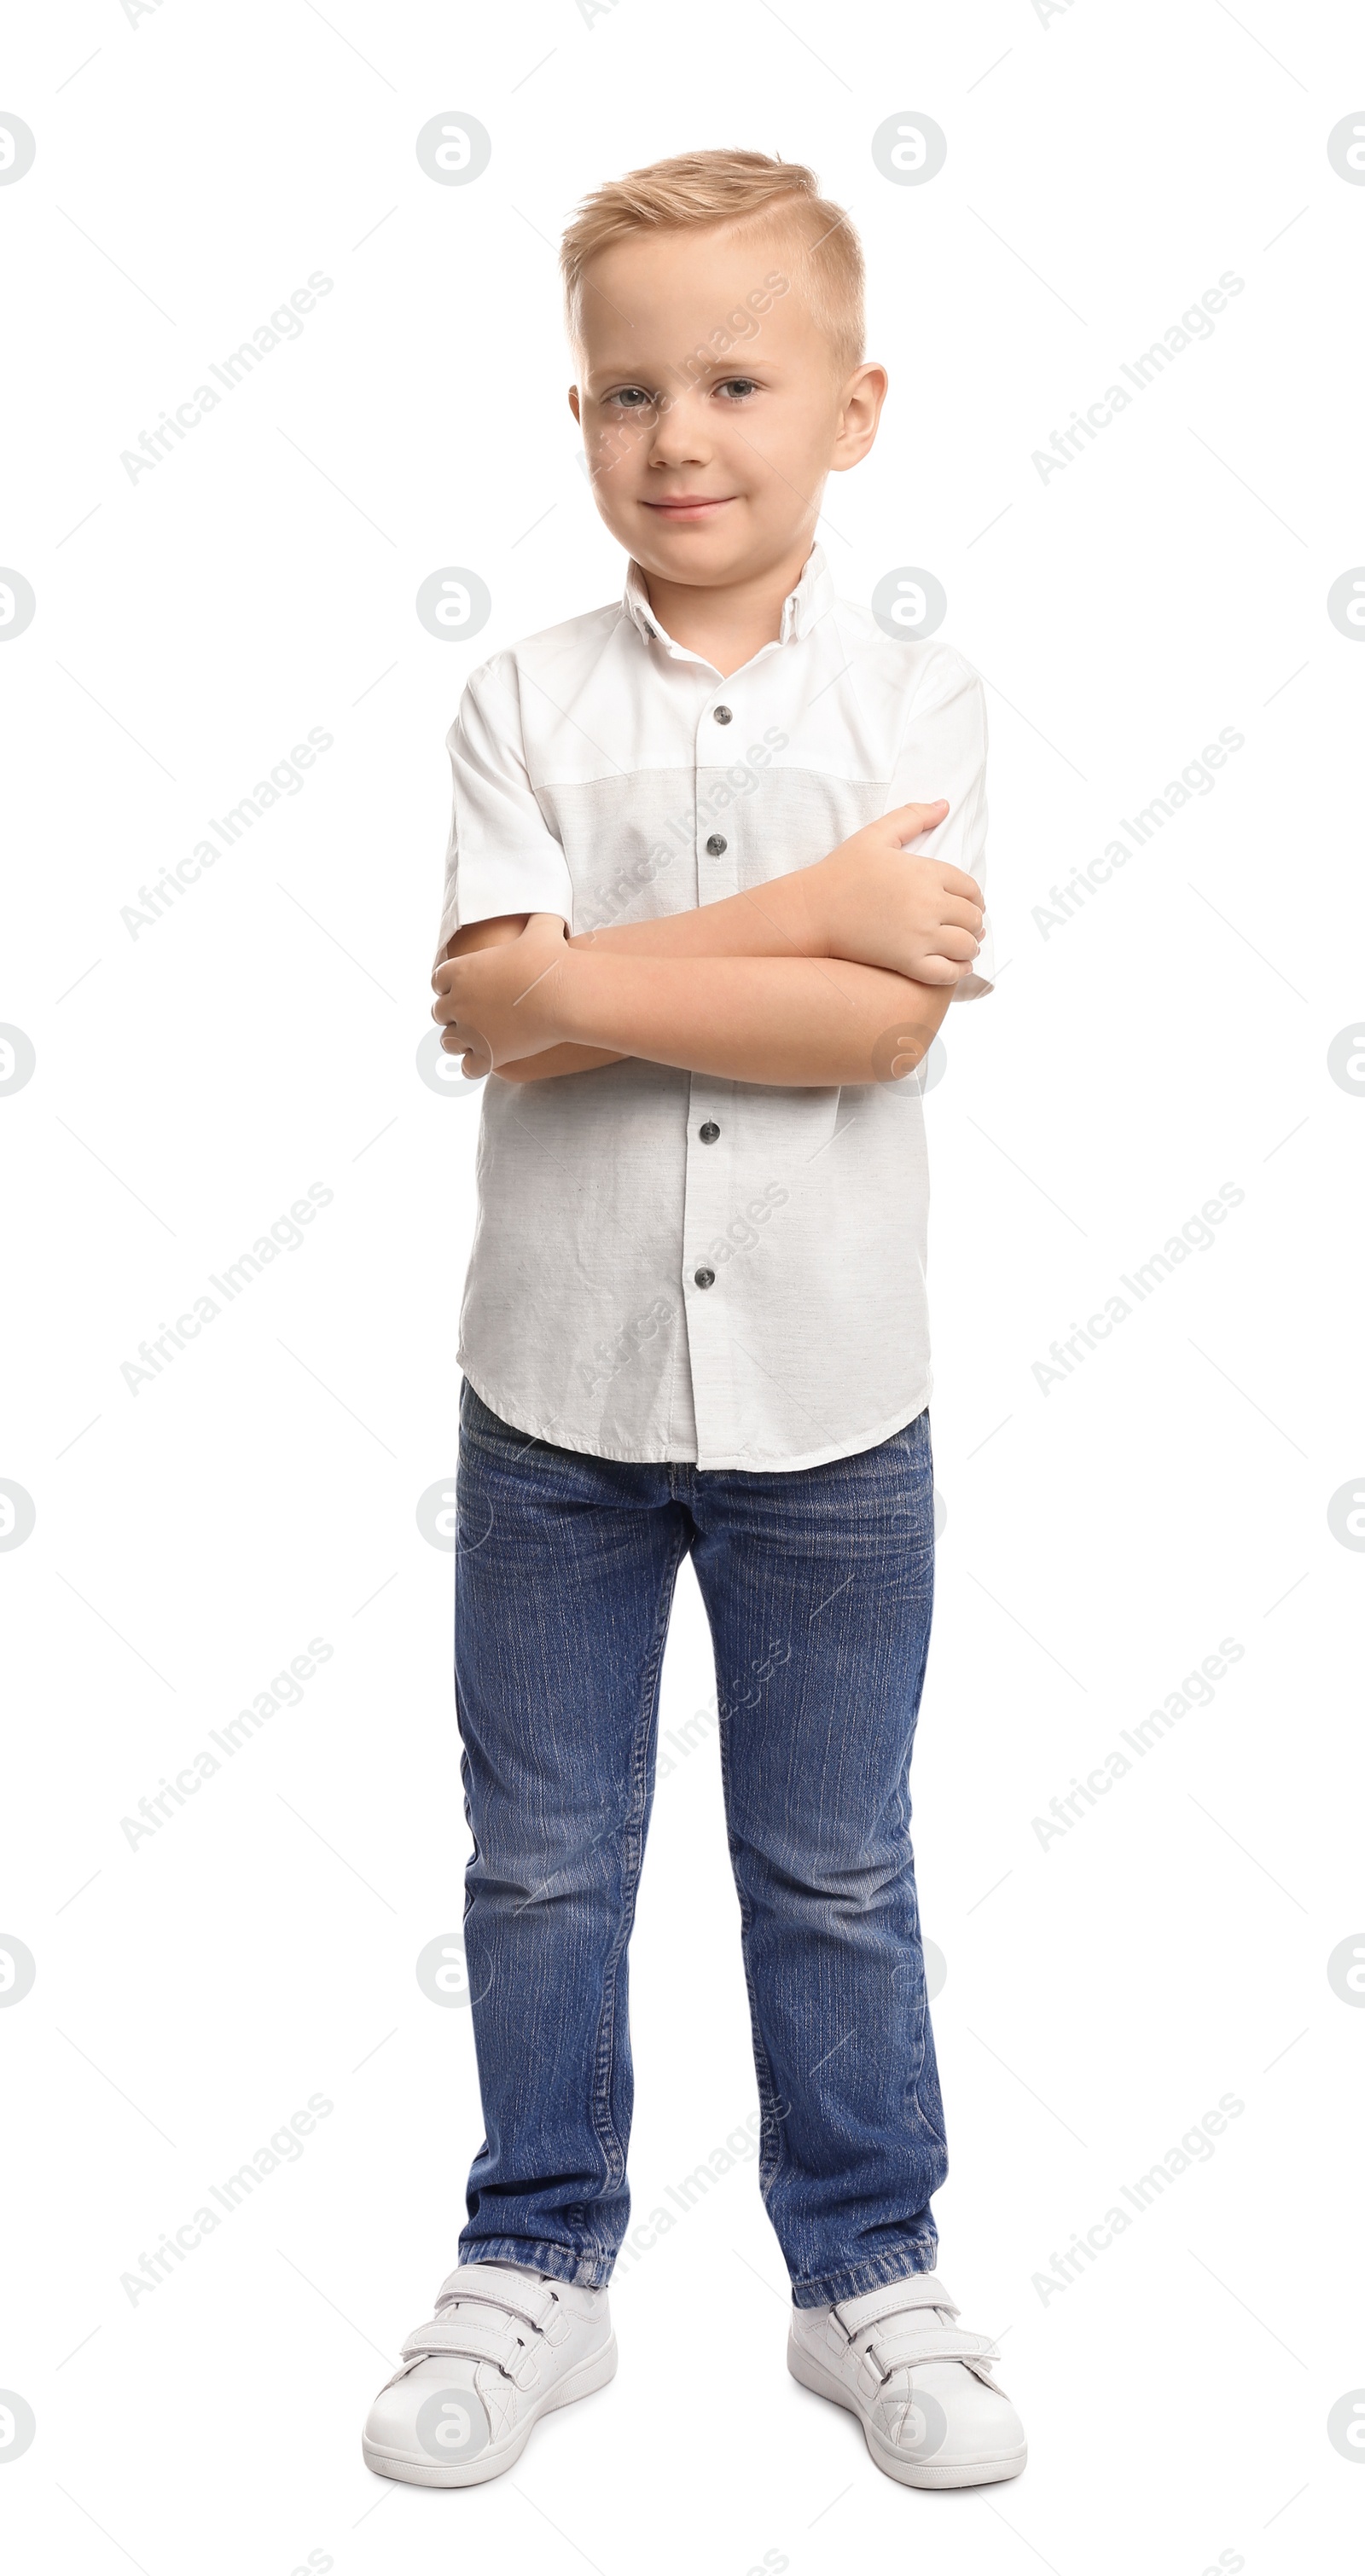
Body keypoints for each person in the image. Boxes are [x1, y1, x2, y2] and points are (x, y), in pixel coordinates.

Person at [362, 147, 1026, 2496]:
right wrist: (805, 917)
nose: (680, 435)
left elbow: (872, 1039)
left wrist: (586, 978)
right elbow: (484, 1016)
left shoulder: (919, 686)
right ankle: (535, 2254)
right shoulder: (519, 698)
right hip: (557, 1394)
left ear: (853, 409)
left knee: (831, 1859)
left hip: (837, 1411)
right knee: (542, 1851)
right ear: (581, 418)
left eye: (736, 380)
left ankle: (870, 2266)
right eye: (628, 390)